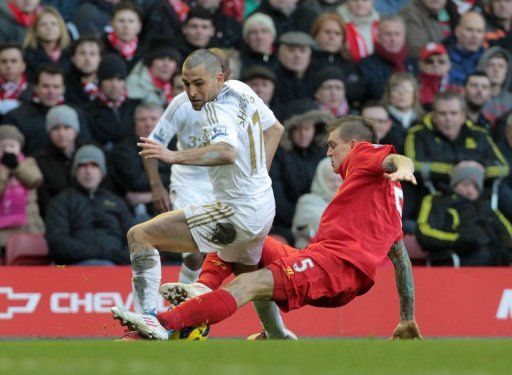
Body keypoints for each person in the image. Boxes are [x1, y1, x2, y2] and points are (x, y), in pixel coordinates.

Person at [112, 115, 422, 341]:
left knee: (246, 285)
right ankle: (216, 296)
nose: (328, 152)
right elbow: (402, 261)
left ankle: (162, 324)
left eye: (332, 145)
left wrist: (406, 167)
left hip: (334, 266)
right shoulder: (388, 199)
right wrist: (407, 318)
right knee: (251, 238)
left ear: (354, 145)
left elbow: (396, 158)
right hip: (329, 263)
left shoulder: (366, 155)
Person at [114, 49, 292, 340]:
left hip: (237, 211)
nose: (192, 92)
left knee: (139, 235)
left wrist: (172, 156)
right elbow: (276, 129)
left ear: (219, 78)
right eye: (186, 84)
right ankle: (277, 334)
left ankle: (149, 321)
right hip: (261, 204)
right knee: (249, 278)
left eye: (199, 83)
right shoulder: (242, 90)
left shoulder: (214, 109)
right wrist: (259, 175)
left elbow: (227, 151)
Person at [45, 144, 133, 265]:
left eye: (94, 165)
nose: (88, 171)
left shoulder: (117, 202)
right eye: (83, 165)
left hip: (117, 267)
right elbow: (58, 243)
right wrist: (102, 253)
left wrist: (120, 257)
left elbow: (135, 239)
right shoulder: (60, 202)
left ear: (102, 172)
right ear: (75, 171)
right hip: (76, 267)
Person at [416, 161, 512, 266]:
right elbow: (424, 232)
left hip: (494, 264)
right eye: (466, 185)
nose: (470, 190)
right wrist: (459, 241)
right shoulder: (437, 201)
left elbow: (506, 232)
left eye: (475, 187)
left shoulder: (485, 206)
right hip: (458, 260)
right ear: (455, 184)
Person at [3, 64, 90, 156]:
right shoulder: (16, 117)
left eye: (56, 87)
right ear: (35, 87)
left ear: (63, 89)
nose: (51, 92)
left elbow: (86, 145)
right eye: (45, 86)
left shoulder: (76, 114)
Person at [108, 102, 169, 222]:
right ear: (134, 123)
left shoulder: (174, 144)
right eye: (142, 120)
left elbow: (180, 178)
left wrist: (149, 196)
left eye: (154, 119)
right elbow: (136, 181)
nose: (148, 124)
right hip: (133, 213)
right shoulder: (123, 149)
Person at [0, 124, 44, 249]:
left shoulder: (28, 162)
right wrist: (4, 171)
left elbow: (35, 179)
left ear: (19, 148)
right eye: (3, 147)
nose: (8, 150)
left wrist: (17, 167)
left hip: (28, 224)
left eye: (12, 146)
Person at [35, 105, 83, 217]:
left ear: (75, 131)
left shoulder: (87, 154)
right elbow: (43, 201)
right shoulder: (40, 160)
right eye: (56, 128)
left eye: (67, 128)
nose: (62, 134)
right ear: (49, 132)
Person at [359, 15, 417, 101]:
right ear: (378, 37)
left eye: (397, 34)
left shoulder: (414, 63)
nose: (393, 39)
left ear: (404, 37)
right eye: (388, 34)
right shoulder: (365, 65)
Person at [292, 157, 342, 248]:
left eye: (340, 180)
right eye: (331, 180)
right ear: (320, 179)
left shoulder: (349, 203)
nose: (336, 184)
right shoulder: (307, 202)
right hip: (309, 257)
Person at [126, 37, 181, 108]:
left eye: (171, 60)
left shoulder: (179, 86)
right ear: (150, 63)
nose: (166, 64)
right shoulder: (135, 84)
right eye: (161, 59)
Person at [22, 6, 72, 82]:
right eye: (43, 24)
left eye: (53, 24)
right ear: (35, 31)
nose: (49, 27)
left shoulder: (72, 54)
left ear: (61, 29)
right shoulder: (26, 56)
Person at [446, 12, 486, 89]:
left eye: (479, 31)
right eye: (469, 30)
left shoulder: (489, 60)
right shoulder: (442, 58)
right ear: (457, 31)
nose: (475, 36)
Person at [477, 47, 512, 126]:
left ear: (507, 72)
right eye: (491, 65)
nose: (496, 69)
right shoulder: (473, 96)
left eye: (501, 66)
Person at [65, 36, 102, 108]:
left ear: (100, 59)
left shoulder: (106, 83)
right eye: (82, 53)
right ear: (73, 58)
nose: (87, 59)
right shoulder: (64, 84)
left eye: (92, 54)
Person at [0, 43, 32, 118]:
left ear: (23, 65)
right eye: (4, 61)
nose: (8, 65)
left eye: (14, 61)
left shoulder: (34, 91)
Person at [417, 42, 453, 110]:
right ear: (420, 65)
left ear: (449, 65)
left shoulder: (456, 87)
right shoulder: (416, 88)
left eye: (441, 61)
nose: (435, 65)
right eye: (429, 61)